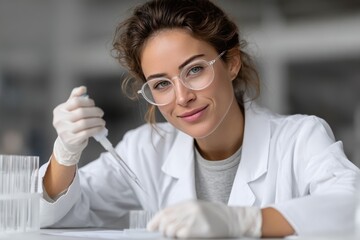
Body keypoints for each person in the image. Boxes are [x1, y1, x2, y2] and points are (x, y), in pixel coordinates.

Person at [39, 0, 360, 238]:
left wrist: (244, 222)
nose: (182, 97)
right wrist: (65, 153)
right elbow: (54, 216)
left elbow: (351, 209)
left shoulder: (299, 139)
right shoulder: (145, 150)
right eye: (162, 84)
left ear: (231, 62)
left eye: (194, 70)